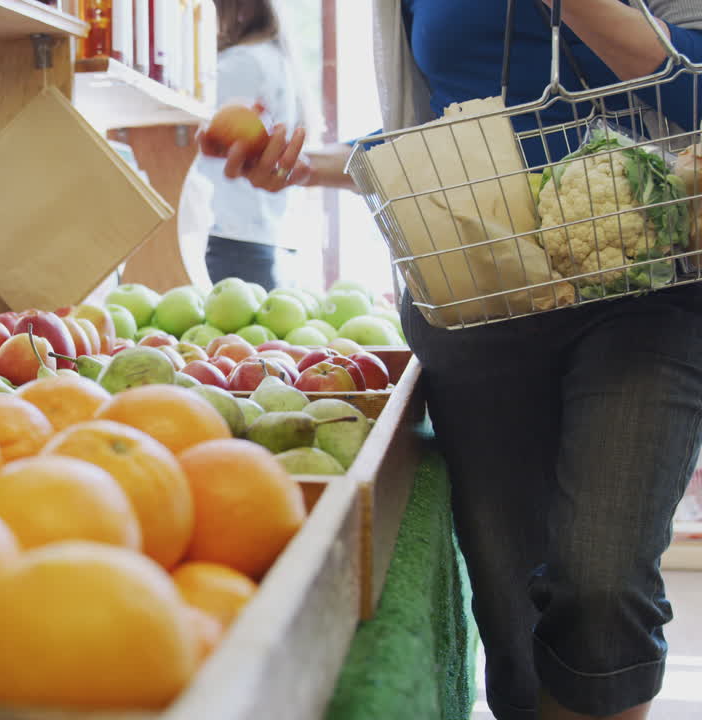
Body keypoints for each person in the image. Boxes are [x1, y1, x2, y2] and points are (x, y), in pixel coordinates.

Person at [202, 2, 702, 719]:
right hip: (478, 298)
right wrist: (312, 164)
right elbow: (440, 132)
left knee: (604, 582)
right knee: (511, 611)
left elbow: (693, 93)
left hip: (650, 291)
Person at [193, 0, 305, 291]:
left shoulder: (240, 64)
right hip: (253, 236)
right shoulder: (271, 58)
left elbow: (197, 132)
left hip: (228, 234)